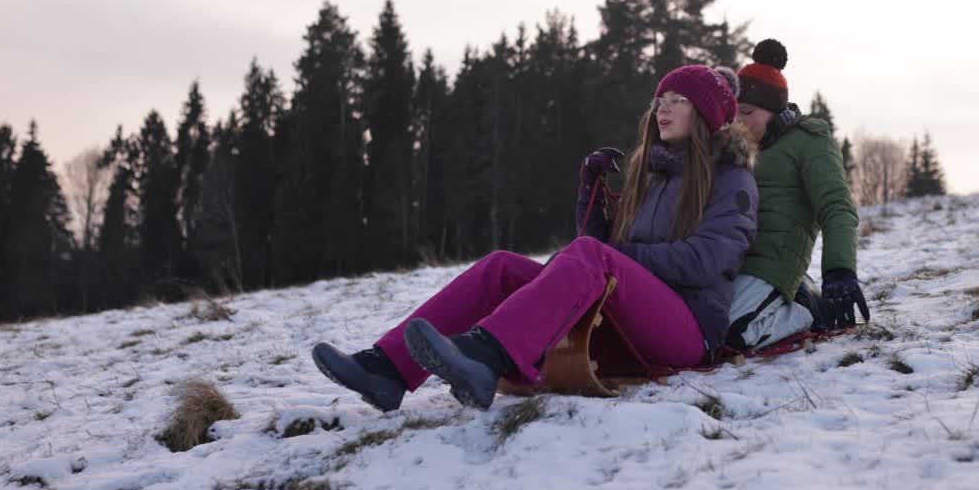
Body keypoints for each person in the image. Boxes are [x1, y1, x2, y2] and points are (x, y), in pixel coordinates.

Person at [311, 64, 758, 411]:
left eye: (678, 99)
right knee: (502, 266)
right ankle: (386, 370)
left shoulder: (732, 180)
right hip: (627, 318)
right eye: (660, 97)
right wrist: (590, 194)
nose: (663, 107)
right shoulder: (653, 175)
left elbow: (703, 262)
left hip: (688, 330)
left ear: (706, 114)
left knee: (588, 256)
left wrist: (617, 254)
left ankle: (486, 355)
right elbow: (598, 249)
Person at [725, 39, 868, 351]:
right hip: (728, 262)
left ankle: (807, 312)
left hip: (773, 266)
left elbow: (836, 206)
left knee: (733, 335)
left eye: (747, 112)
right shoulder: (732, 148)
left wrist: (840, 271)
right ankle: (800, 294)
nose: (738, 122)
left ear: (774, 111)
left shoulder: (809, 141)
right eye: (733, 114)